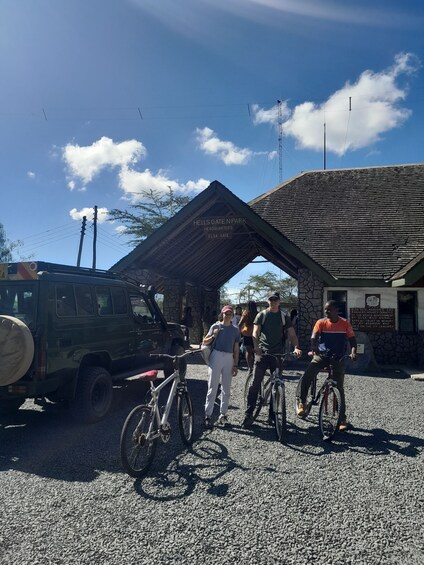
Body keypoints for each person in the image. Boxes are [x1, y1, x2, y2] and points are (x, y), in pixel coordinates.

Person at [296, 300, 357, 431]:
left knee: (339, 388)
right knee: (308, 375)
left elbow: (352, 340)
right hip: (322, 355)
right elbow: (314, 336)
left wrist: (353, 352)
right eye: (325, 310)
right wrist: (314, 347)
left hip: (338, 357)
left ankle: (341, 418)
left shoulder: (345, 323)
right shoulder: (321, 322)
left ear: (337, 310)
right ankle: (302, 402)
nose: (326, 312)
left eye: (329, 310)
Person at [243, 293, 302, 428]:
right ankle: (248, 413)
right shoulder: (262, 315)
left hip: (278, 353)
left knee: (277, 382)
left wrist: (296, 347)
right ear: (267, 301)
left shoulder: (283, 317)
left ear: (279, 301)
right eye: (271, 300)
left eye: (275, 300)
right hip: (263, 352)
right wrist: (256, 347)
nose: (273, 302)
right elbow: (255, 332)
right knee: (256, 382)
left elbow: (291, 333)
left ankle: (273, 414)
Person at [203, 305, 240, 428]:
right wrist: (214, 335)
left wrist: (235, 364)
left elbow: (236, 348)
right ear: (222, 314)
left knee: (226, 388)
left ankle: (223, 415)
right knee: (212, 386)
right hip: (216, 355)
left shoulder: (235, 330)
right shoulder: (216, 326)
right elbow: (205, 341)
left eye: (230, 313)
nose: (228, 315)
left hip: (229, 357)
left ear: (232, 315)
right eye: (226, 313)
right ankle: (208, 415)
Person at [238, 300, 258, 369]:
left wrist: (239, 332)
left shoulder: (245, 313)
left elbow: (240, 324)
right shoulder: (258, 314)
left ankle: (250, 367)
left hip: (247, 334)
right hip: (256, 334)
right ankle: (257, 367)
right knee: (256, 351)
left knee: (248, 352)